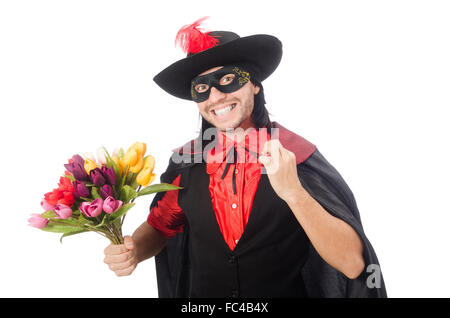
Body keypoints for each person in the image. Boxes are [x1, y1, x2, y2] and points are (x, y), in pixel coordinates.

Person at [103, 18, 387, 298]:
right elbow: (161, 227)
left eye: (227, 79)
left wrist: (294, 193)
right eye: (202, 87)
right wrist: (134, 251)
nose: (215, 96)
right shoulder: (187, 163)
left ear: (254, 84)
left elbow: (352, 265)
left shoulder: (295, 154)